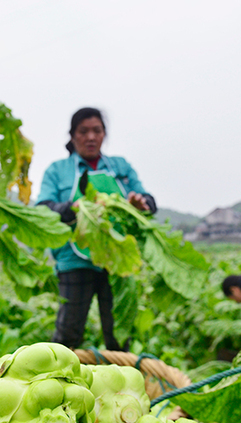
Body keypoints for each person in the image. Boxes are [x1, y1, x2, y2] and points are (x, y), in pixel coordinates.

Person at [36, 107, 157, 351]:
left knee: (120, 334)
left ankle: (121, 384)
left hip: (118, 260)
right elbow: (43, 209)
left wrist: (140, 203)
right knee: (68, 333)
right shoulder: (58, 170)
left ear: (104, 135)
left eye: (97, 131)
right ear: (72, 136)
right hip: (74, 259)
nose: (90, 137)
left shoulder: (120, 167)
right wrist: (74, 208)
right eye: (83, 131)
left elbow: (149, 201)